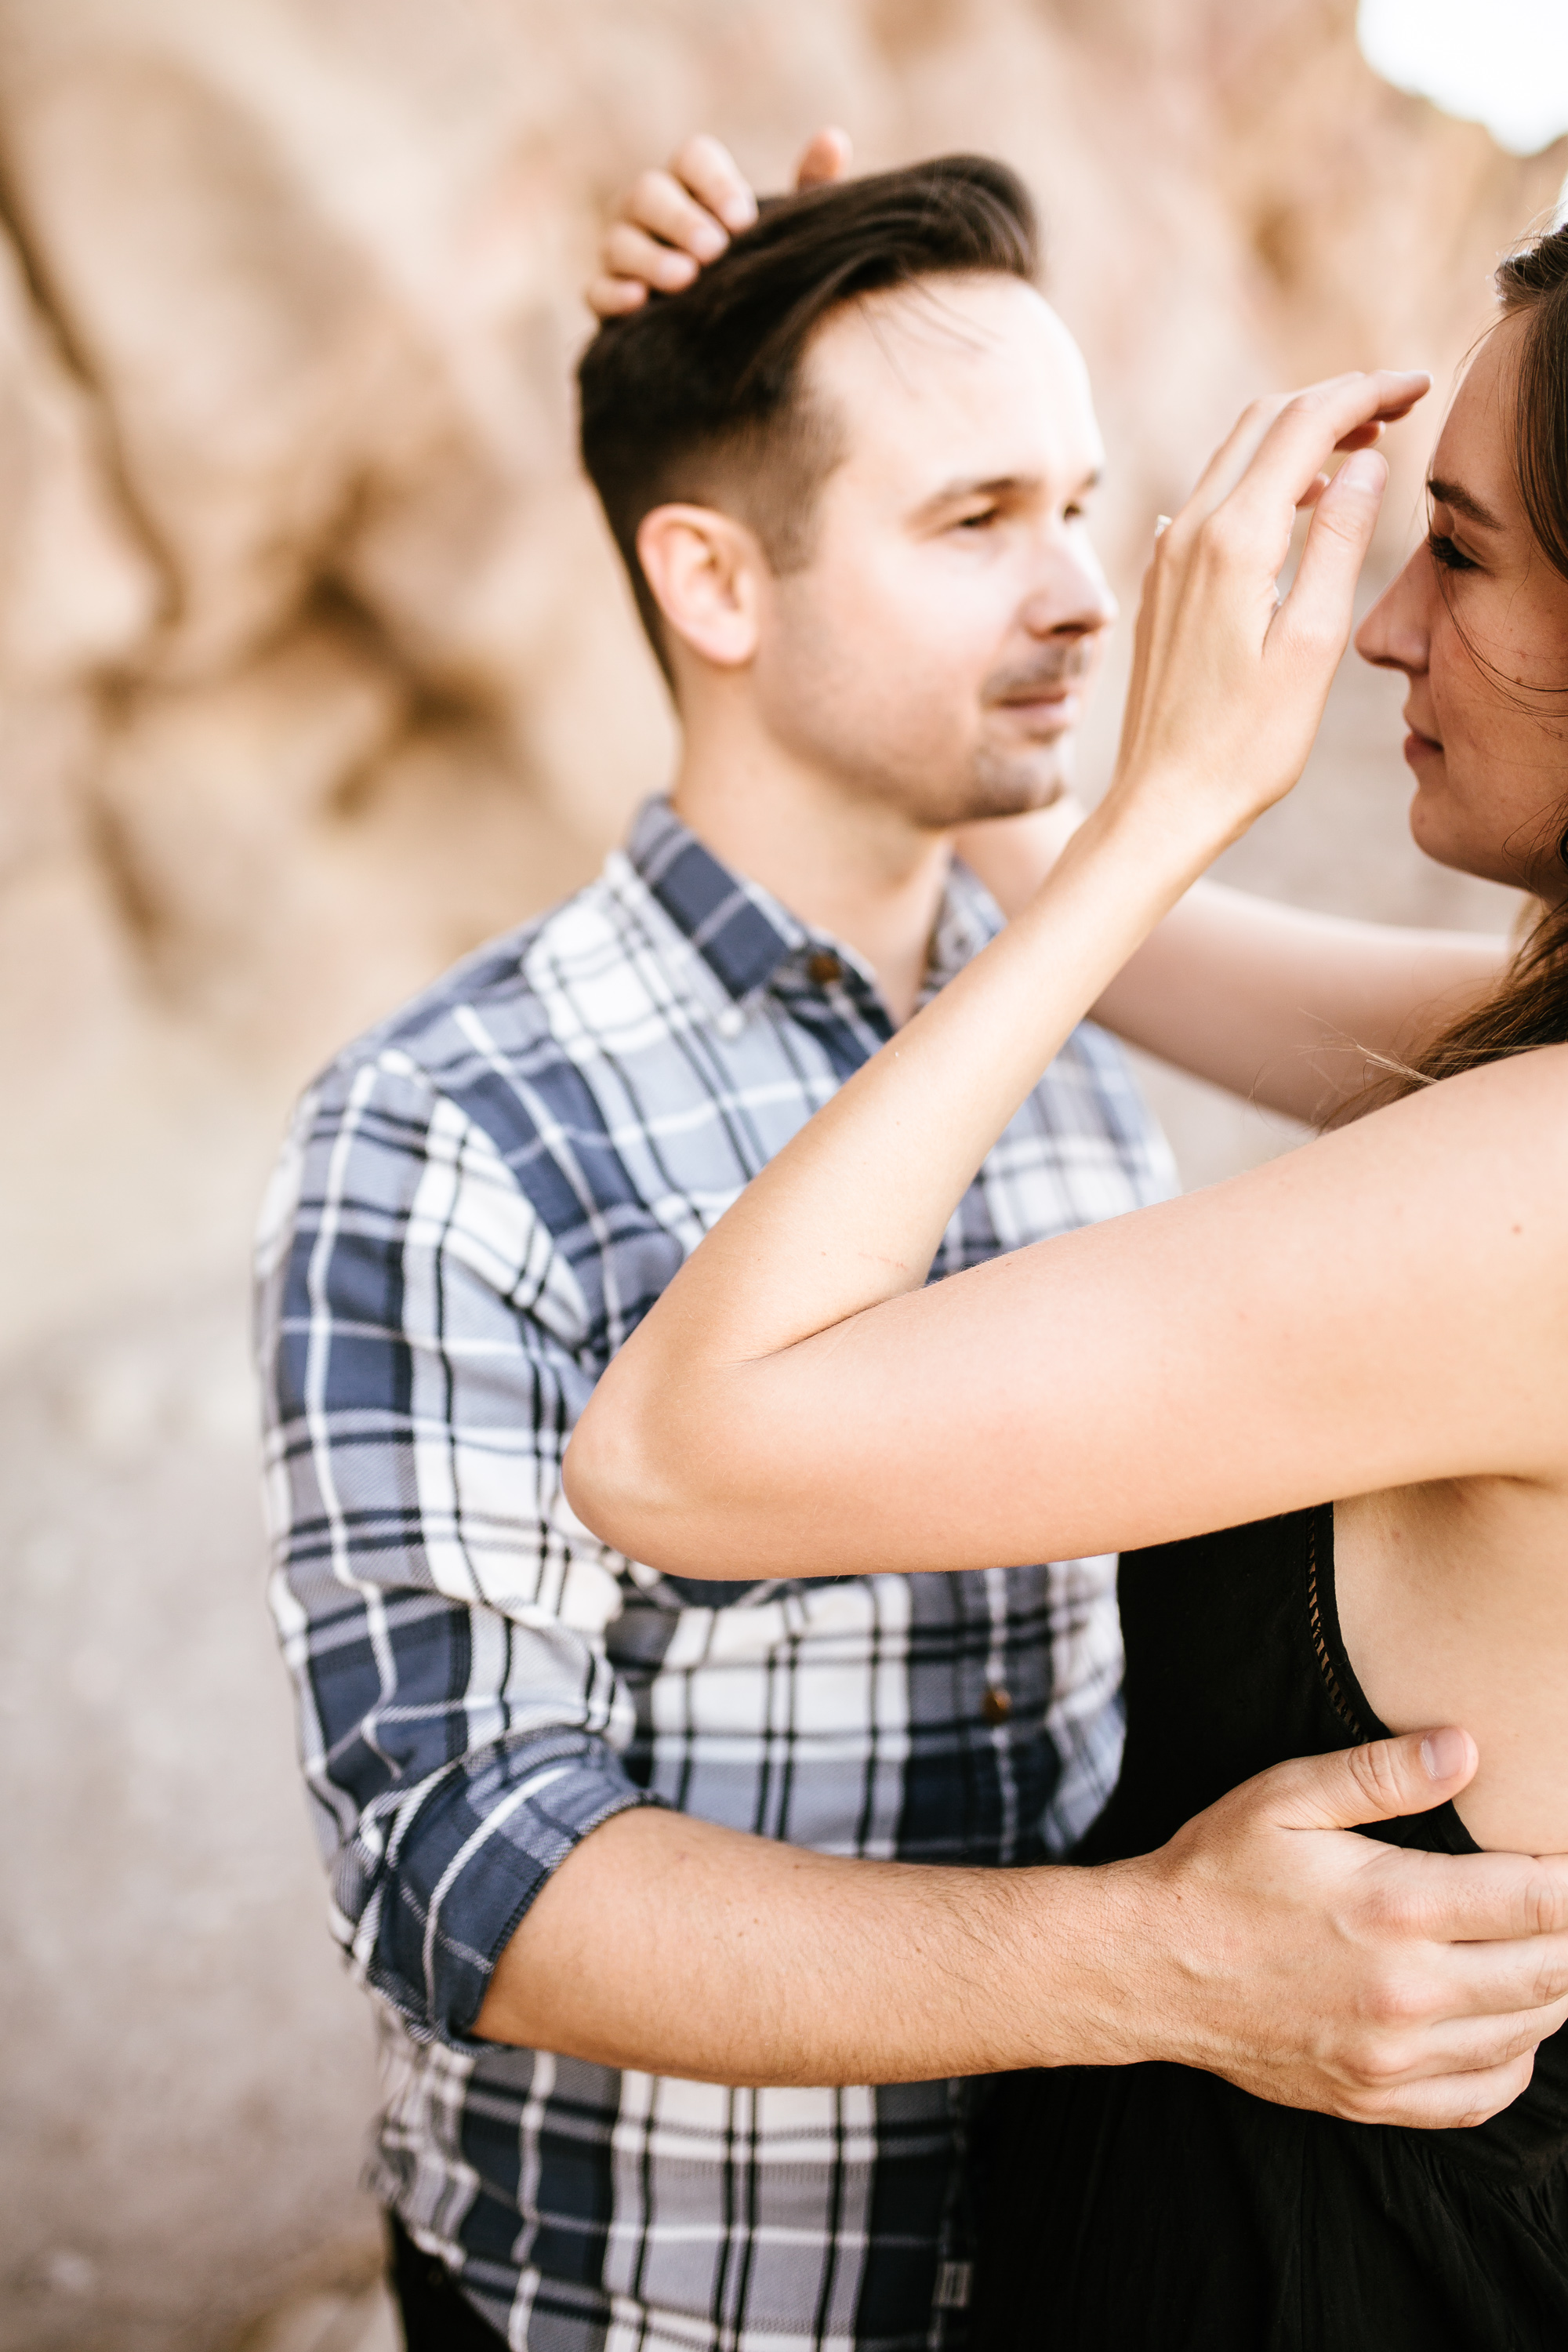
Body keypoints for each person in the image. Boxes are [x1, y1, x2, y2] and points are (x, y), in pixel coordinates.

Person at [256, 150, 1568, 2352]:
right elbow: (458, 1862)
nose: (1079, 598)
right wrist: (1143, 1963)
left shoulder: (1091, 1031)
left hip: (1118, 2239)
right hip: (693, 2298)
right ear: (714, 581)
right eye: (979, 523)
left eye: (1084, 505)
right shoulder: (444, 1125)